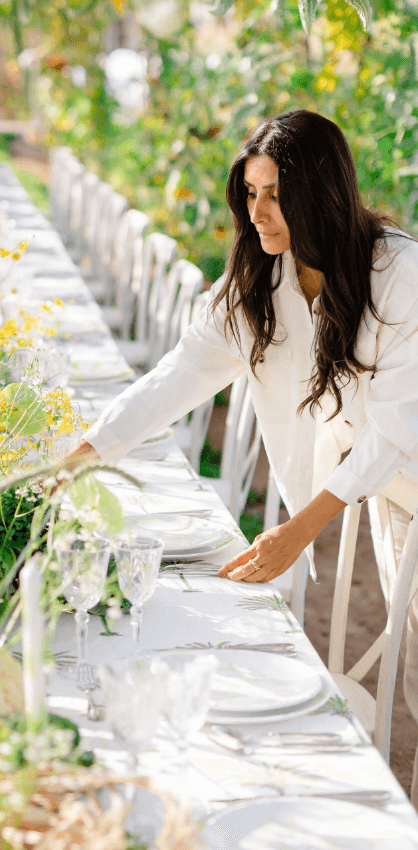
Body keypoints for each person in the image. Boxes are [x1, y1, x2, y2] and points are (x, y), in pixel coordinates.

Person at [63, 109, 418, 800]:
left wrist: (299, 528)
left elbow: (393, 428)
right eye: (249, 193)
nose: (256, 211)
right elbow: (177, 375)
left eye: (274, 195)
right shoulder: (260, 284)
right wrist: (84, 452)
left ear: (319, 193)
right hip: (383, 478)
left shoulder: (398, 271)